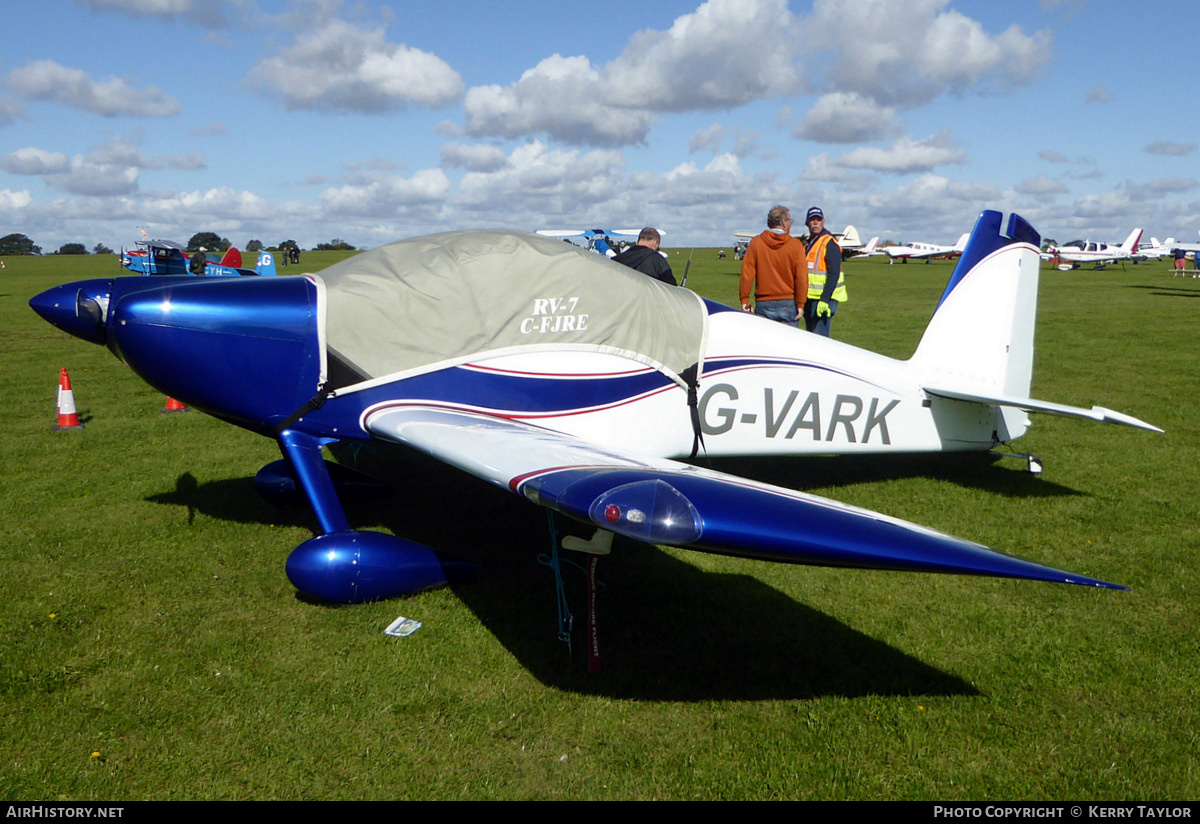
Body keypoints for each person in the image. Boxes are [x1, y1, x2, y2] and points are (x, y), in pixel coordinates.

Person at [738, 205, 806, 325]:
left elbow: (747, 274)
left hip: (763, 303)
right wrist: (801, 303)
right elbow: (801, 277)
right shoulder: (795, 245)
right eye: (790, 220)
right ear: (783, 223)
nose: (791, 223)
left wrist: (745, 299)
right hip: (788, 303)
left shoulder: (756, 243)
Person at [802, 206, 846, 337]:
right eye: (812, 220)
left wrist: (824, 300)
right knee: (811, 338)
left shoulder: (829, 243)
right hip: (810, 299)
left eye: (818, 219)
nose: (815, 222)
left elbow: (834, 273)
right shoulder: (809, 243)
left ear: (823, 222)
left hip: (823, 300)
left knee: (819, 340)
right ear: (807, 223)